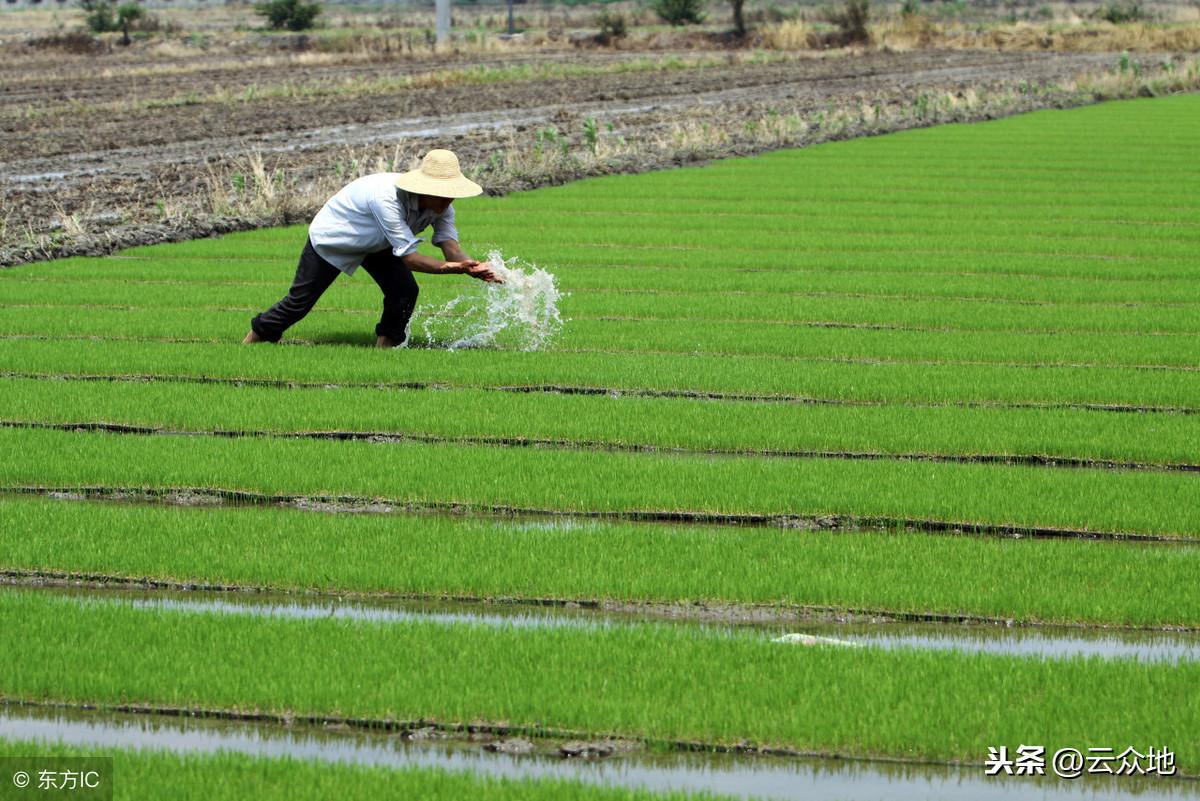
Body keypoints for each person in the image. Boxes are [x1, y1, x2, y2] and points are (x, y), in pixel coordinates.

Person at [243, 148, 500, 348]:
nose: (448, 200)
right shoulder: (386, 198)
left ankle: (385, 350)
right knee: (298, 304)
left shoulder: (442, 207)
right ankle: (250, 343)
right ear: (425, 188)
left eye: (451, 194)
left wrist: (477, 267)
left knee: (404, 291)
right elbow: (410, 259)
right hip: (337, 236)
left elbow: (451, 248)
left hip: (380, 242)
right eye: (442, 194)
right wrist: (457, 269)